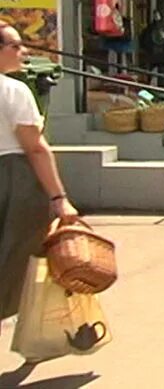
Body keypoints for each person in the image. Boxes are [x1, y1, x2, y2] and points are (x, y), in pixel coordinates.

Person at [0, 22, 78, 331]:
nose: (24, 51)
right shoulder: (14, 91)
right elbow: (35, 148)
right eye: (15, 46)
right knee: (19, 254)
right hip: (13, 176)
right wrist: (59, 198)